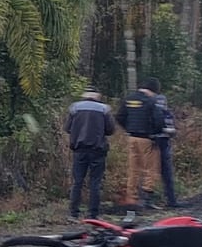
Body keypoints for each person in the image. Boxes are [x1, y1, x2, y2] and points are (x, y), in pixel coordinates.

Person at [64, 84, 114, 219]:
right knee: (95, 183)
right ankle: (93, 214)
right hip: (98, 150)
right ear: (97, 96)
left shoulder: (75, 107)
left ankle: (74, 213)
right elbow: (110, 130)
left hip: (79, 150)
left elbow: (67, 128)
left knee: (77, 182)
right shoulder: (104, 109)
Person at [115, 78, 166, 208]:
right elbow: (159, 121)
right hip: (147, 139)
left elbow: (119, 117)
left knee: (133, 169)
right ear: (153, 90)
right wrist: (155, 132)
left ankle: (132, 198)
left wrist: (128, 128)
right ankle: (147, 199)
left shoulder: (129, 99)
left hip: (132, 138)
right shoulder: (151, 101)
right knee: (151, 169)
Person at [152, 88, 181, 208]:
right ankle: (166, 199)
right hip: (156, 143)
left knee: (164, 172)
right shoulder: (156, 113)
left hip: (160, 142)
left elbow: (172, 130)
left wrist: (168, 130)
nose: (162, 105)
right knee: (158, 172)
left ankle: (170, 200)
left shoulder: (166, 113)